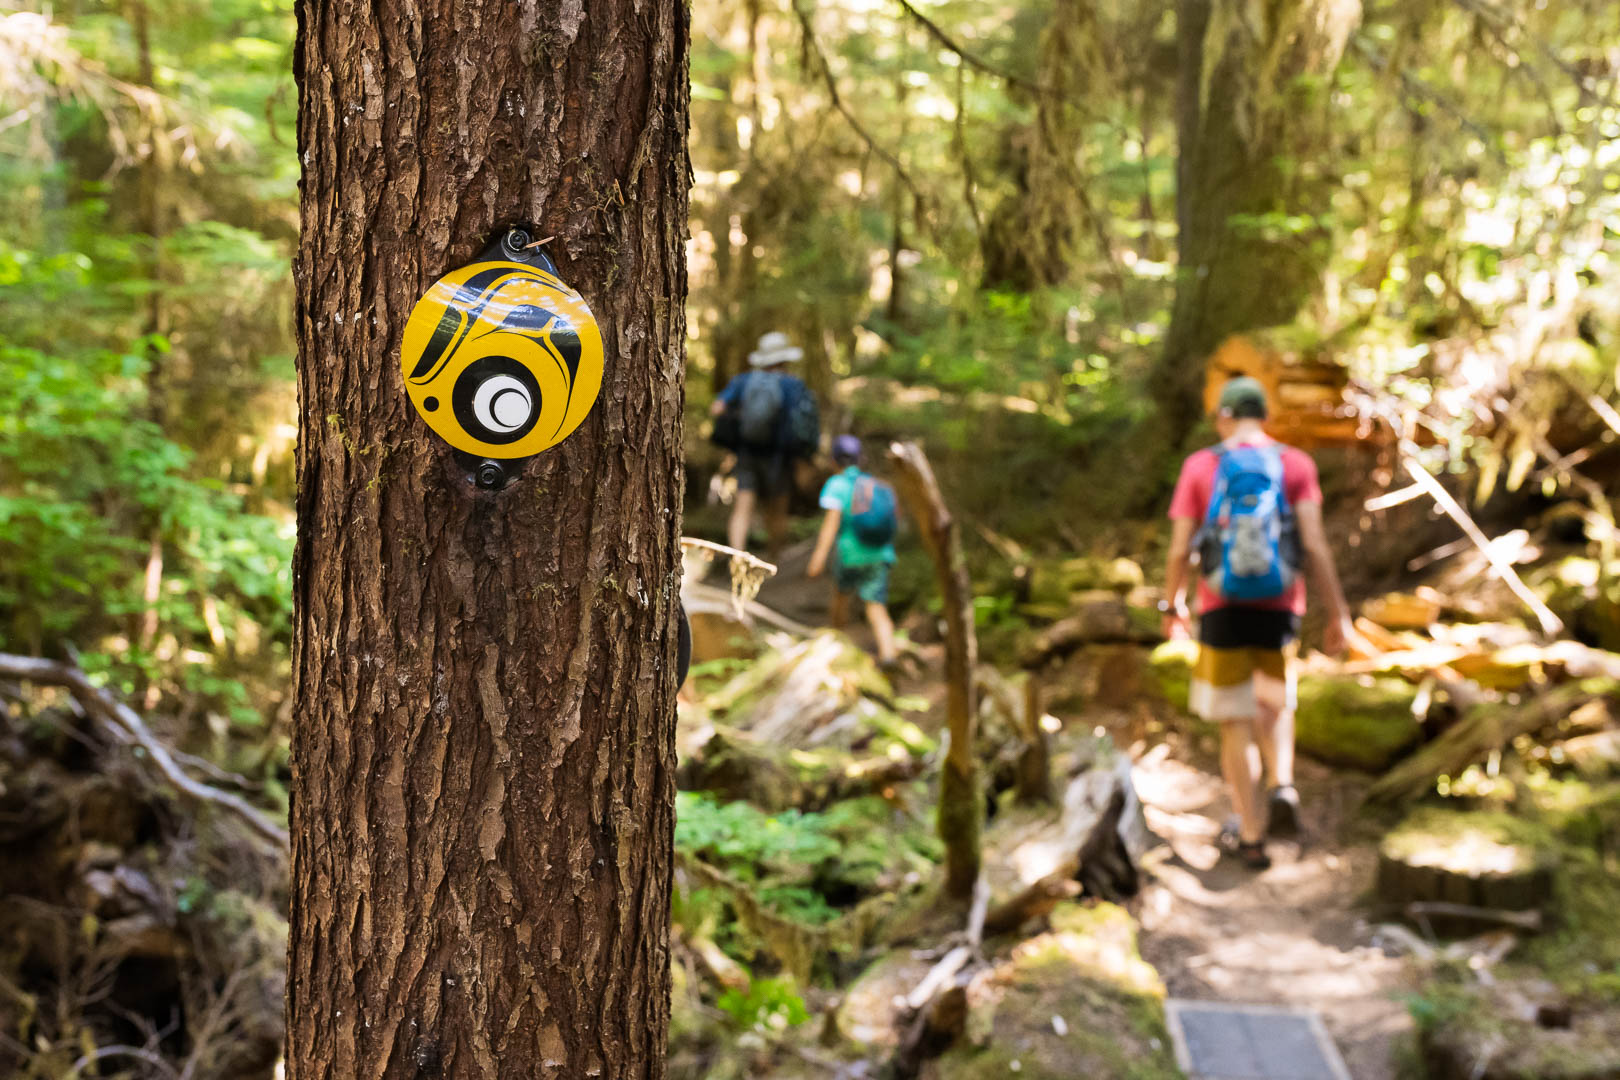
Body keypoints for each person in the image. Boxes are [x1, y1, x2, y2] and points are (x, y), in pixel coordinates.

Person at [1161, 377, 1355, 870]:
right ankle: (1282, 784)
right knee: (1273, 701)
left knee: (1236, 722)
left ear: (1223, 416)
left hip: (1221, 608)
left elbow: (1182, 547)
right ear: (1265, 416)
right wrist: (1339, 614)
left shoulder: (1202, 466)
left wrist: (1172, 603)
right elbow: (1313, 544)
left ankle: (1251, 836)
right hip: (1281, 605)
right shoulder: (1295, 464)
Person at [709, 331, 819, 561]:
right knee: (777, 510)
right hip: (780, 457)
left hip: (747, 452)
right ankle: (773, 559)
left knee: (742, 508)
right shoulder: (794, 385)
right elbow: (804, 423)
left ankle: (737, 557)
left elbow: (717, 408)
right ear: (785, 359)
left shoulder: (744, 380)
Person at [808, 435, 900, 668]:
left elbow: (830, 526)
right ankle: (889, 655)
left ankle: (835, 643)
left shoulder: (837, 485)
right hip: (880, 554)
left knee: (841, 597)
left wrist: (818, 559)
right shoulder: (872, 484)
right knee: (876, 606)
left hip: (851, 554)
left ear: (834, 461)